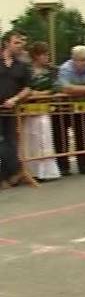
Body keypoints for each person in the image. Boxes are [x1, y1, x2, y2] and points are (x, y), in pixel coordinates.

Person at [56, 45, 85, 175]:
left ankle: (84, 165)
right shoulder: (65, 68)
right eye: (81, 60)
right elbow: (65, 88)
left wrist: (76, 89)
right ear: (74, 59)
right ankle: (63, 166)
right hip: (63, 106)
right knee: (61, 136)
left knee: (83, 134)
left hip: (82, 105)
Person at [24, 42, 61, 182]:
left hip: (44, 108)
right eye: (44, 54)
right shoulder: (27, 71)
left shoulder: (51, 70)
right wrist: (32, 93)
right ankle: (32, 171)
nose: (46, 57)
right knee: (31, 139)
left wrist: (43, 93)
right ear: (36, 56)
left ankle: (46, 171)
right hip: (28, 110)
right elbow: (24, 87)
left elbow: (56, 87)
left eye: (47, 54)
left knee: (44, 138)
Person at [0, 31, 31, 189]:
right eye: (16, 43)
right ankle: (8, 174)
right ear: (6, 43)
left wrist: (15, 99)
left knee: (10, 141)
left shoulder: (22, 66)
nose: (20, 46)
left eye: (21, 43)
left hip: (11, 109)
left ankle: (11, 174)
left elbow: (27, 88)